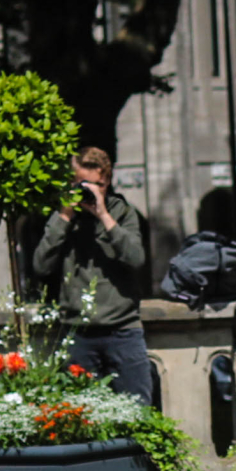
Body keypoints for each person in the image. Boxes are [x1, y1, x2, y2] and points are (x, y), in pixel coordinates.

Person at [34, 147, 152, 401]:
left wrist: (103, 216)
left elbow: (136, 258)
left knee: (138, 410)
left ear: (106, 181)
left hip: (123, 331)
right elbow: (41, 266)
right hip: (78, 334)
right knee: (81, 416)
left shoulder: (123, 213)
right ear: (72, 182)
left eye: (96, 184)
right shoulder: (63, 218)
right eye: (82, 184)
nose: (88, 190)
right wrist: (65, 216)